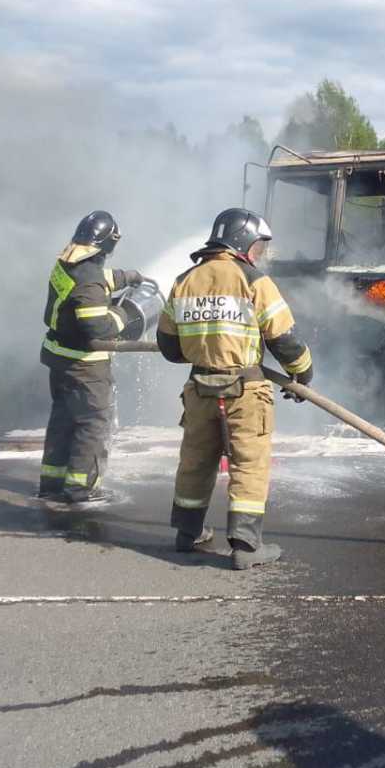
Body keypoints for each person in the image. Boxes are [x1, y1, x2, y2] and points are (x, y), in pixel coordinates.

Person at [158, 208, 313, 569]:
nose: (258, 253)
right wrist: (302, 374)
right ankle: (245, 546)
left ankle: (187, 534)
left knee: (195, 460)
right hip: (244, 391)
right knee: (249, 462)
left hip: (199, 389)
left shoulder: (184, 280)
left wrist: (206, 351)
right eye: (258, 246)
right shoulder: (253, 280)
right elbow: (284, 340)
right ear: (244, 241)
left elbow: (168, 346)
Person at [39, 210, 147, 503]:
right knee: (92, 423)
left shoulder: (67, 262)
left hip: (59, 359)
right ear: (108, 243)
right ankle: (81, 488)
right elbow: (97, 328)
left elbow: (95, 280)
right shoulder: (89, 281)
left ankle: (52, 483)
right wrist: (125, 314)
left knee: (63, 420)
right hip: (84, 366)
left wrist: (128, 277)